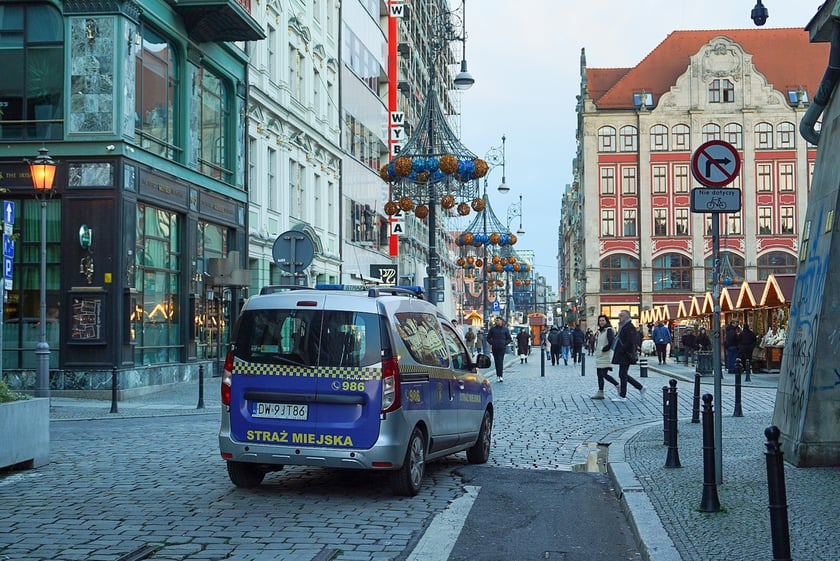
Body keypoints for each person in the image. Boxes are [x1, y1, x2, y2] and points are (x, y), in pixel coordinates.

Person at [611, 310, 646, 402]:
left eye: (621, 316)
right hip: (623, 353)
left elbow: (631, 341)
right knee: (623, 374)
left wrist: (623, 350)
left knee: (622, 374)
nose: (619, 317)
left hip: (626, 354)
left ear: (627, 317)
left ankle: (623, 395)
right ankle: (640, 387)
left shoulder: (629, 327)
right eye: (619, 316)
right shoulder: (623, 326)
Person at [591, 315, 621, 399]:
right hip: (600, 356)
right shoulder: (600, 331)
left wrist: (604, 349)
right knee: (599, 375)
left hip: (606, 355)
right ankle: (600, 392)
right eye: (600, 321)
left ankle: (617, 385)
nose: (601, 322)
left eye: (603, 320)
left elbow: (611, 342)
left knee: (603, 374)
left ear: (606, 321)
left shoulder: (609, 330)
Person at [486, 317, 512, 382]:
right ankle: (498, 375)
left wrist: (504, 343)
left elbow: (509, 339)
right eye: (496, 321)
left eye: (498, 321)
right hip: (495, 348)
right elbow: (488, 338)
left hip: (502, 348)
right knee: (496, 362)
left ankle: (501, 376)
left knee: (500, 361)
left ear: (501, 321)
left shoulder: (505, 329)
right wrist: (492, 343)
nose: (497, 322)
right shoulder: (493, 329)